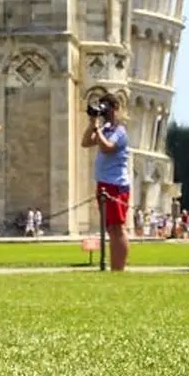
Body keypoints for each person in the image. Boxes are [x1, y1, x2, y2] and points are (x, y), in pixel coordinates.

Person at [82, 95, 131, 271]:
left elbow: (107, 147)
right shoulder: (106, 128)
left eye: (107, 106)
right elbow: (85, 142)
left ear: (115, 107)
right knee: (111, 229)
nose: (104, 110)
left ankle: (119, 268)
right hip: (104, 183)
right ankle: (115, 267)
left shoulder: (120, 131)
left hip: (116, 184)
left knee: (118, 228)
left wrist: (98, 130)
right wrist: (92, 124)